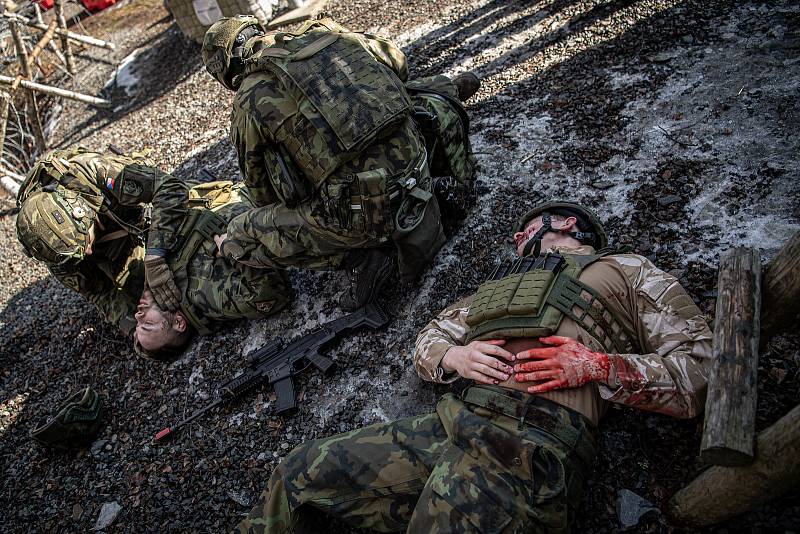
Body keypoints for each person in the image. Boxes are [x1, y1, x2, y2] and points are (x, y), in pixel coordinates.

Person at [234, 200, 715, 533]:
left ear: (567, 223)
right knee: (296, 474)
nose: (517, 236)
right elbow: (431, 337)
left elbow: (700, 368)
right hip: (448, 427)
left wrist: (599, 365)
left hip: (525, 449)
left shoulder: (627, 270)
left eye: (529, 228)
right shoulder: (501, 286)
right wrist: (454, 356)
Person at [201, 16, 478, 311]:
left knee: (242, 232)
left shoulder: (248, 97)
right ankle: (428, 187)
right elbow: (398, 63)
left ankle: (362, 258)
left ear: (224, 69)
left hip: (361, 213)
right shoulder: (326, 36)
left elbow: (262, 193)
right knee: (417, 94)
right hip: (416, 163)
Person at [17, 170, 293, 359]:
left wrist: (155, 255)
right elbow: (271, 295)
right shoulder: (208, 298)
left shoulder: (88, 175)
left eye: (138, 323)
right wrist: (234, 251)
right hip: (258, 204)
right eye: (146, 325)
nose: (137, 317)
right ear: (180, 323)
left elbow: (166, 188)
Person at [15, 146, 190, 334]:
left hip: (138, 212)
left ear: (84, 214)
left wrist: (156, 256)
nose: (88, 252)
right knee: (146, 290)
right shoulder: (52, 247)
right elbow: (99, 293)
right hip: (111, 245)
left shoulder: (91, 172)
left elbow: (170, 189)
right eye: (78, 253)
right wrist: (133, 328)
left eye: (85, 242)